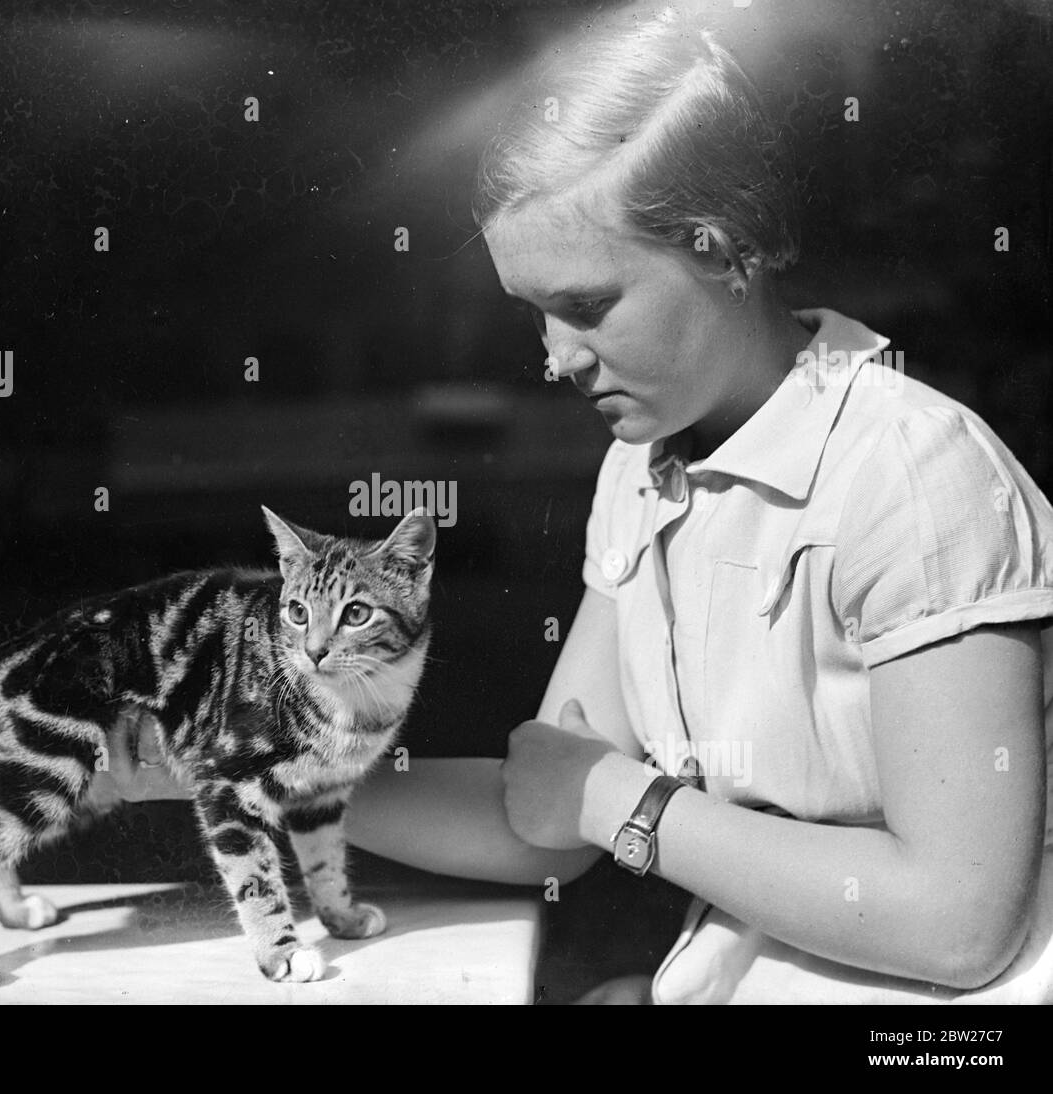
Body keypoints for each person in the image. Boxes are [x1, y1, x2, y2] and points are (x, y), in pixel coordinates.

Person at [97, 7, 1053, 1003]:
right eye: (535, 312)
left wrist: (622, 797)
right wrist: (249, 759)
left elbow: (957, 925)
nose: (555, 356)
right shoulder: (641, 468)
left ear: (726, 248)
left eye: (589, 306)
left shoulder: (908, 472)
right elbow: (544, 812)